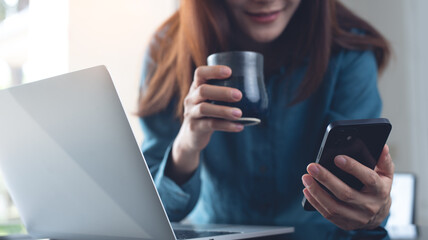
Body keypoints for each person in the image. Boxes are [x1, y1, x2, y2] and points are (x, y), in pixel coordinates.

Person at [137, 0, 394, 231]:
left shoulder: (350, 49)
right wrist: (186, 146)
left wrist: (374, 212)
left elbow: (361, 201)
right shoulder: (169, 51)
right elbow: (155, 213)